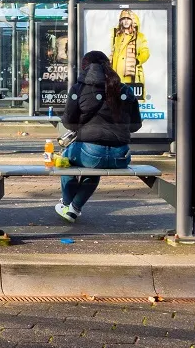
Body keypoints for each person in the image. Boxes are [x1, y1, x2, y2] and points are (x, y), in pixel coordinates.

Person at [56, 50, 142, 223]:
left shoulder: (79, 89)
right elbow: (135, 125)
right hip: (121, 156)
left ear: (85, 66)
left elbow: (68, 123)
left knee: (64, 161)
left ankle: (66, 203)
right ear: (108, 66)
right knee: (94, 170)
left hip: (90, 153)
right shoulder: (125, 89)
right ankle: (74, 208)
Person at [110, 9, 149, 88]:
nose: (126, 21)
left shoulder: (139, 36)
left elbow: (145, 52)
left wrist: (137, 60)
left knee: (130, 96)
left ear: (133, 20)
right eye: (123, 19)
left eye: (128, 19)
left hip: (131, 75)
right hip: (115, 74)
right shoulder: (116, 36)